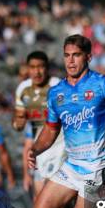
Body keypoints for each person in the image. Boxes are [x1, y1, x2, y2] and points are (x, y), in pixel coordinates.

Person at [28, 35, 105, 208]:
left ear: (88, 57)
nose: (70, 61)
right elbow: (50, 129)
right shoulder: (56, 92)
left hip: (98, 167)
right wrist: (35, 149)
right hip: (72, 165)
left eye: (76, 55)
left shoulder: (104, 84)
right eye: (67, 55)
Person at [12, 51, 64, 198]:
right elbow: (19, 122)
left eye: (41, 67)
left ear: (47, 68)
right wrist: (18, 124)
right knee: (39, 199)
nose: (37, 71)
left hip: (60, 144)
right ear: (28, 69)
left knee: (53, 198)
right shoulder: (23, 89)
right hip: (40, 146)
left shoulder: (57, 85)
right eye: (32, 67)